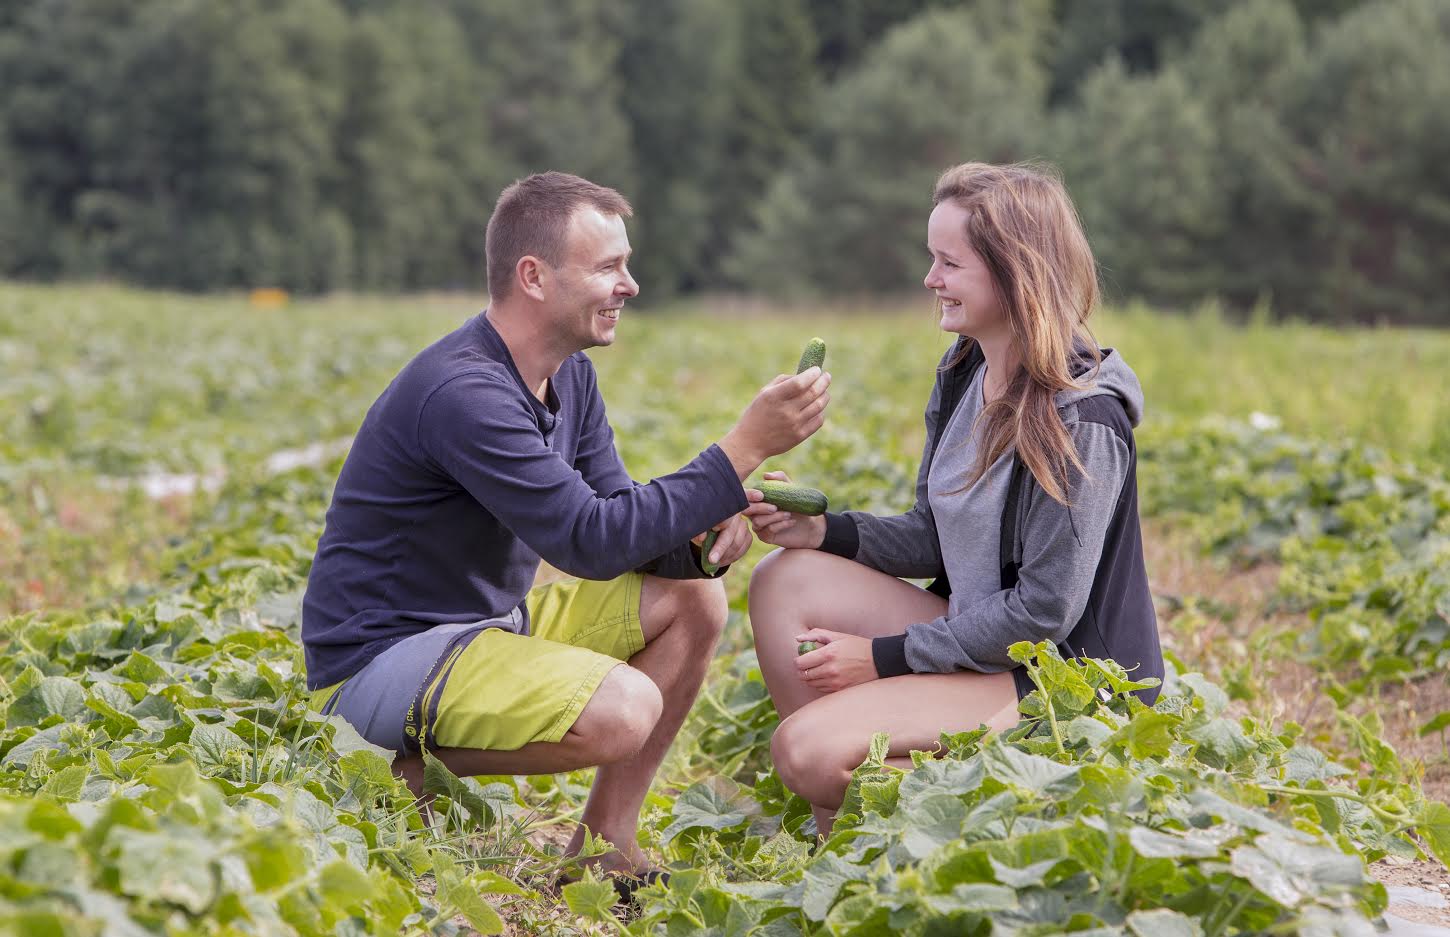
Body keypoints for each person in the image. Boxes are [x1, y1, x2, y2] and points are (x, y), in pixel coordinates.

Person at [300, 171, 831, 888]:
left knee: (691, 600)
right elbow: (588, 542)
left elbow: (619, 514)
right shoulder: (465, 392)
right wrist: (742, 448)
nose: (630, 284)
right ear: (534, 277)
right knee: (623, 709)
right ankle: (388, 766)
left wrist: (706, 533)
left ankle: (605, 844)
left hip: (483, 630)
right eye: (609, 266)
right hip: (378, 662)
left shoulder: (568, 376)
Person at [744, 162, 1161, 838]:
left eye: (949, 263)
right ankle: (841, 838)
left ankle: (1026, 805)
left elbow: (1044, 612)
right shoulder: (966, 369)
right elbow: (936, 538)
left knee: (803, 750)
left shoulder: (1084, 418)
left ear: (1012, 272)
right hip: (987, 637)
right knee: (784, 578)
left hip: (1060, 680)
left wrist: (882, 656)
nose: (930, 280)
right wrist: (823, 531)